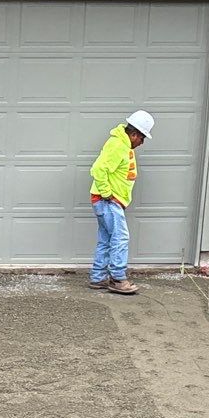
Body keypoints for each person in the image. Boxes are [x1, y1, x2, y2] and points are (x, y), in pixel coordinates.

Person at [88, 110, 153, 295]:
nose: (142, 143)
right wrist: (108, 194)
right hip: (108, 201)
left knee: (106, 239)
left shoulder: (123, 145)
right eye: (142, 138)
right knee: (120, 238)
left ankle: (98, 277)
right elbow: (98, 169)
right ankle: (117, 278)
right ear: (134, 134)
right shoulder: (118, 145)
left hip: (106, 201)